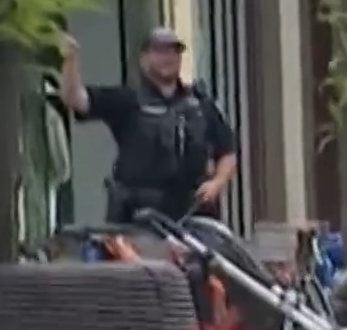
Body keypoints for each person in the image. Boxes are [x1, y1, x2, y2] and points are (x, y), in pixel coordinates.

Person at [54, 26, 238, 224]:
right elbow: (75, 99)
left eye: (173, 51)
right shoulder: (127, 100)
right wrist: (70, 60)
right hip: (137, 217)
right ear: (144, 58)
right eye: (159, 51)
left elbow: (227, 151)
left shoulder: (200, 105)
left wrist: (217, 183)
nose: (167, 58)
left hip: (193, 215)